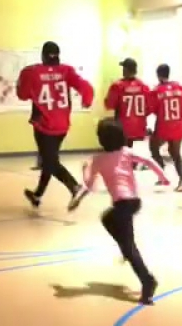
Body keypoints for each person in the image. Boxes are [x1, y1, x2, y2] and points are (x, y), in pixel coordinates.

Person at [68, 119, 169, 305]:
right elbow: (149, 161)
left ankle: (147, 280)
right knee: (107, 219)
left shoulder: (98, 160)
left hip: (122, 205)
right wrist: (163, 178)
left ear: (101, 139)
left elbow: (89, 185)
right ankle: (126, 250)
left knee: (130, 246)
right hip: (133, 202)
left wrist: (83, 176)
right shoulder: (127, 153)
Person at [17, 41, 93, 208]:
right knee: (49, 159)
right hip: (62, 124)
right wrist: (87, 101)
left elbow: (22, 95)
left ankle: (74, 186)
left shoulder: (32, 72)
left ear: (43, 55)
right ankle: (37, 195)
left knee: (50, 161)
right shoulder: (66, 71)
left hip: (44, 125)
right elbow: (85, 86)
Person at [148, 64, 182, 191]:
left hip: (164, 125)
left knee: (153, 146)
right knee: (176, 153)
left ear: (158, 75)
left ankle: (162, 172)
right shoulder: (180, 87)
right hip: (179, 125)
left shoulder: (156, 90)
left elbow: (153, 109)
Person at [105, 58, 152, 168]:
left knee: (121, 154)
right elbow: (150, 108)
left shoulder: (117, 86)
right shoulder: (144, 86)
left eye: (123, 68)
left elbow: (109, 105)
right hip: (139, 128)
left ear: (126, 69)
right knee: (131, 152)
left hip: (123, 127)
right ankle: (132, 168)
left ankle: (125, 173)